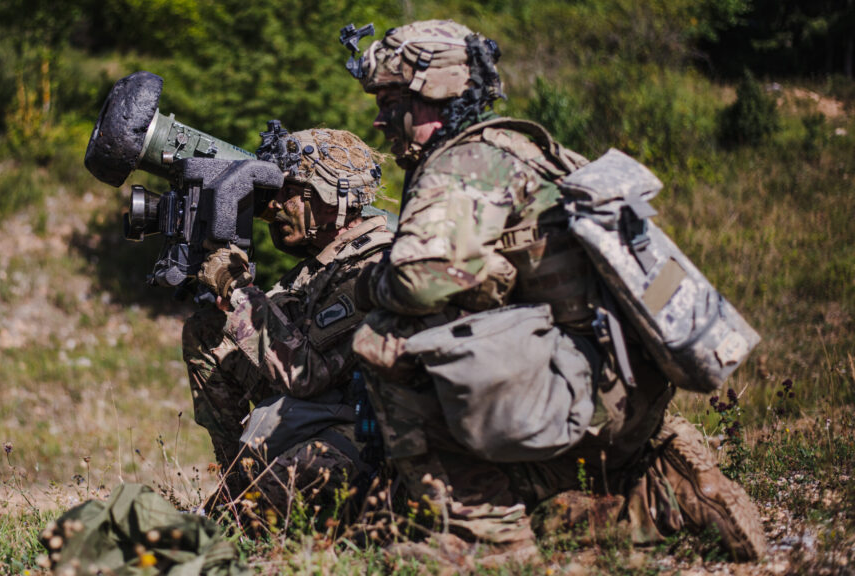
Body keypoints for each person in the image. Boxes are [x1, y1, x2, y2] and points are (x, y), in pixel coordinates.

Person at [340, 19, 767, 562]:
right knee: (553, 518)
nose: (379, 120)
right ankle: (667, 489)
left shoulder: (463, 165)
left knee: (385, 338)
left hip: (575, 397)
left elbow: (418, 281)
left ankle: (486, 538)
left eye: (388, 101)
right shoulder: (534, 149)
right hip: (629, 391)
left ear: (429, 96)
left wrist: (366, 284)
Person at [181, 123, 394, 515]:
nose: (275, 204)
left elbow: (305, 374)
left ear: (333, 200)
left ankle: (236, 509)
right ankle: (235, 480)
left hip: (366, 433)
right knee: (209, 331)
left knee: (260, 506)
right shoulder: (326, 262)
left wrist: (238, 290)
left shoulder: (369, 269)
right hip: (320, 412)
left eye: (289, 192)